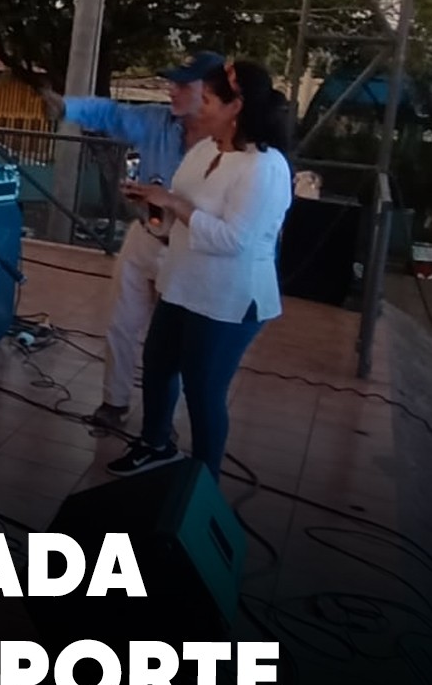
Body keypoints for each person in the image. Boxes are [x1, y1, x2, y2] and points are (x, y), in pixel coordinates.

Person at [106, 59, 293, 482]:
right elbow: (177, 216)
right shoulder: (204, 150)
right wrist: (154, 204)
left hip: (228, 299)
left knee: (204, 391)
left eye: (207, 100)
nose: (199, 107)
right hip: (181, 285)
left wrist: (175, 204)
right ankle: (155, 443)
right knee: (156, 365)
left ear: (236, 107)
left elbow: (235, 241)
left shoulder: (264, 167)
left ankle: (201, 482)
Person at [42, 50, 222, 431]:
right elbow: (113, 114)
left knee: (170, 343)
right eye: (172, 82)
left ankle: (163, 420)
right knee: (122, 324)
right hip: (145, 235)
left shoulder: (227, 144)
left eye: (183, 84)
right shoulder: (157, 121)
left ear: (209, 91)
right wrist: (69, 108)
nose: (172, 90)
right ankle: (115, 401)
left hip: (189, 250)